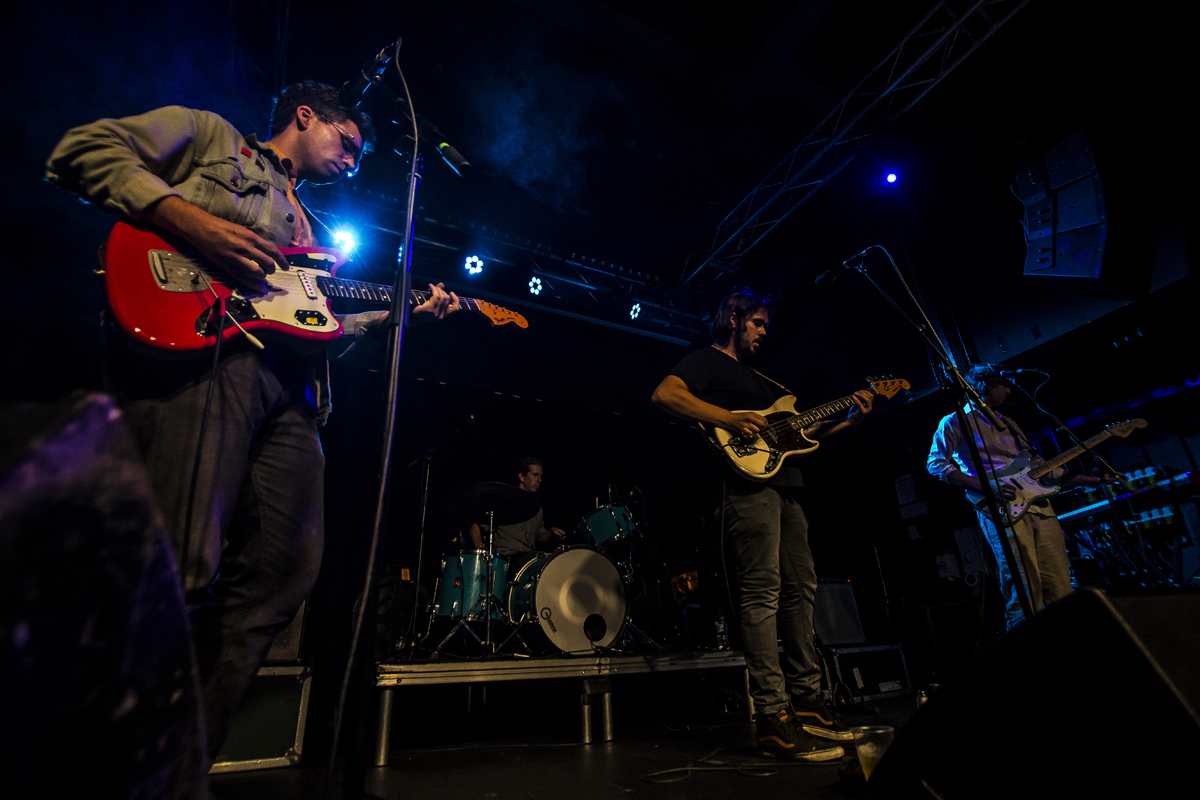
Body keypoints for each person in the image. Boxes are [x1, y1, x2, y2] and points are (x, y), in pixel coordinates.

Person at [44, 81, 460, 758]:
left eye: (357, 155)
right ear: (305, 115)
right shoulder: (213, 138)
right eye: (346, 143)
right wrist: (193, 222)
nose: (352, 161)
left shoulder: (315, 230)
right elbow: (82, 150)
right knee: (181, 565)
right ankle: (93, 760)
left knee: (284, 573)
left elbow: (318, 324)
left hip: (294, 395)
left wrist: (398, 313)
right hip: (211, 356)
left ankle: (179, 760)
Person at [651, 288, 873, 761]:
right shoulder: (706, 361)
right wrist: (727, 418)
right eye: (758, 322)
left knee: (802, 587)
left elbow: (801, 434)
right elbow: (665, 394)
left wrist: (849, 420)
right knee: (762, 592)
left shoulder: (766, 382)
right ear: (733, 319)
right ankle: (772, 717)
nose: (764, 331)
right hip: (745, 488)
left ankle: (808, 703)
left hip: (786, 486)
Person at [927, 364, 1107, 630]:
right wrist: (986, 486)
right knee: (1024, 587)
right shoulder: (955, 421)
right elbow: (935, 464)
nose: (1009, 391)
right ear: (986, 384)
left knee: (1060, 584)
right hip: (1000, 508)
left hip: (1039, 505)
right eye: (1004, 385)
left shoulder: (1010, 424)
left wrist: (1090, 480)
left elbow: (1041, 467)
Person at [468, 457, 566, 561]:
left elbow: (539, 536)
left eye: (540, 476)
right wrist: (479, 546)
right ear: (522, 477)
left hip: (527, 560)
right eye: (535, 475)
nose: (539, 480)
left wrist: (551, 532)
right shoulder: (504, 502)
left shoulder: (537, 509)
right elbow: (476, 524)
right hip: (504, 558)